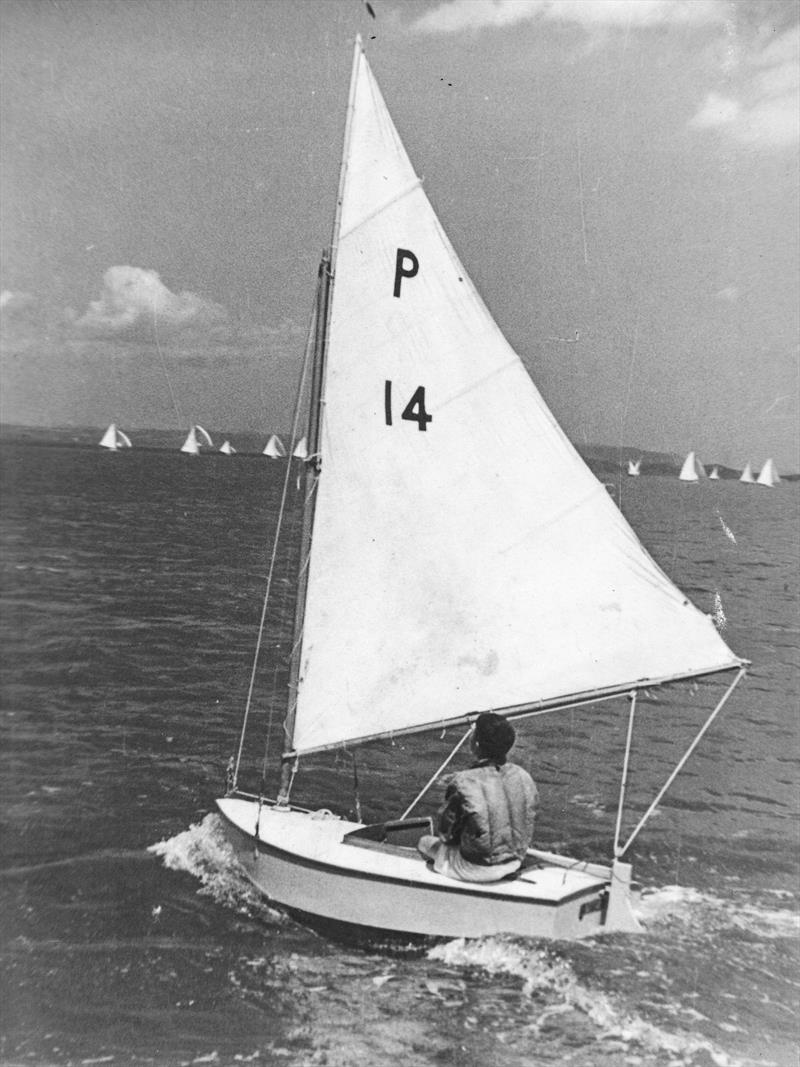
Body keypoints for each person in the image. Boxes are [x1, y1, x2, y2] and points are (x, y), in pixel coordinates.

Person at [417, 712, 538, 883]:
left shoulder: (463, 781)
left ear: (476, 744)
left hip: (475, 868)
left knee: (424, 842)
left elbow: (446, 835)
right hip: (514, 861)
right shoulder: (524, 776)